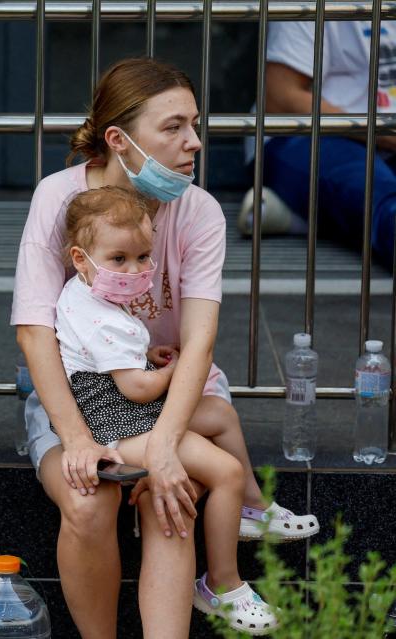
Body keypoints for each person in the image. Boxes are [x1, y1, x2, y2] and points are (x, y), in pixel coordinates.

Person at [12, 57, 318, 637]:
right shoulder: (59, 197)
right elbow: (34, 329)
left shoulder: (198, 210)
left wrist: (167, 447)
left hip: (177, 390)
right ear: (119, 140)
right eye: (174, 127)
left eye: (195, 124)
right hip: (84, 399)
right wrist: (76, 438)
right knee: (86, 504)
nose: (194, 142)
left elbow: (199, 343)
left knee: (167, 499)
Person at [57, 186, 277, 634]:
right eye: (119, 259)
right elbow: (136, 389)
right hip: (120, 423)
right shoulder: (97, 313)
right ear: (81, 259)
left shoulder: (93, 298)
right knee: (225, 472)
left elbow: (119, 356)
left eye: (143, 257)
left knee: (219, 414)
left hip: (127, 410)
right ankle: (222, 584)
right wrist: (174, 370)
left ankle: (253, 507)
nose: (135, 269)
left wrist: (151, 353)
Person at [239, 19, 396, 267]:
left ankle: (303, 215)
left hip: (383, 143)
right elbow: (280, 99)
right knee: (385, 203)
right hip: (307, 136)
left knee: (369, 198)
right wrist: (387, 132)